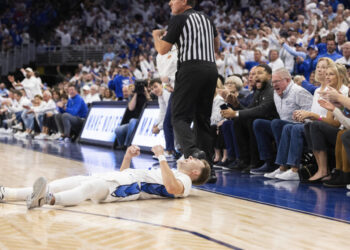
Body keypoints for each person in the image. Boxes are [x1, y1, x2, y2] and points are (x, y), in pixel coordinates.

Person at [0, 145, 211, 209]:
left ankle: (47, 200)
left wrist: (162, 158)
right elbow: (123, 173)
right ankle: (7, 193)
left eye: (196, 161)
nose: (191, 157)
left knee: (89, 188)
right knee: (63, 182)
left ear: (195, 173)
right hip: (121, 180)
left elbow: (172, 189)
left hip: (128, 189)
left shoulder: (186, 181)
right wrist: (128, 156)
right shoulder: (173, 172)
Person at [152, 0, 220, 183]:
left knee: (179, 117)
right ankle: (209, 170)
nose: (169, 3)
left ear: (183, 1)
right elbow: (216, 46)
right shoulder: (207, 18)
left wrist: (156, 35)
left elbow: (162, 49)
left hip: (190, 69)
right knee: (202, 120)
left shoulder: (179, 18)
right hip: (211, 69)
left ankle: (193, 152)